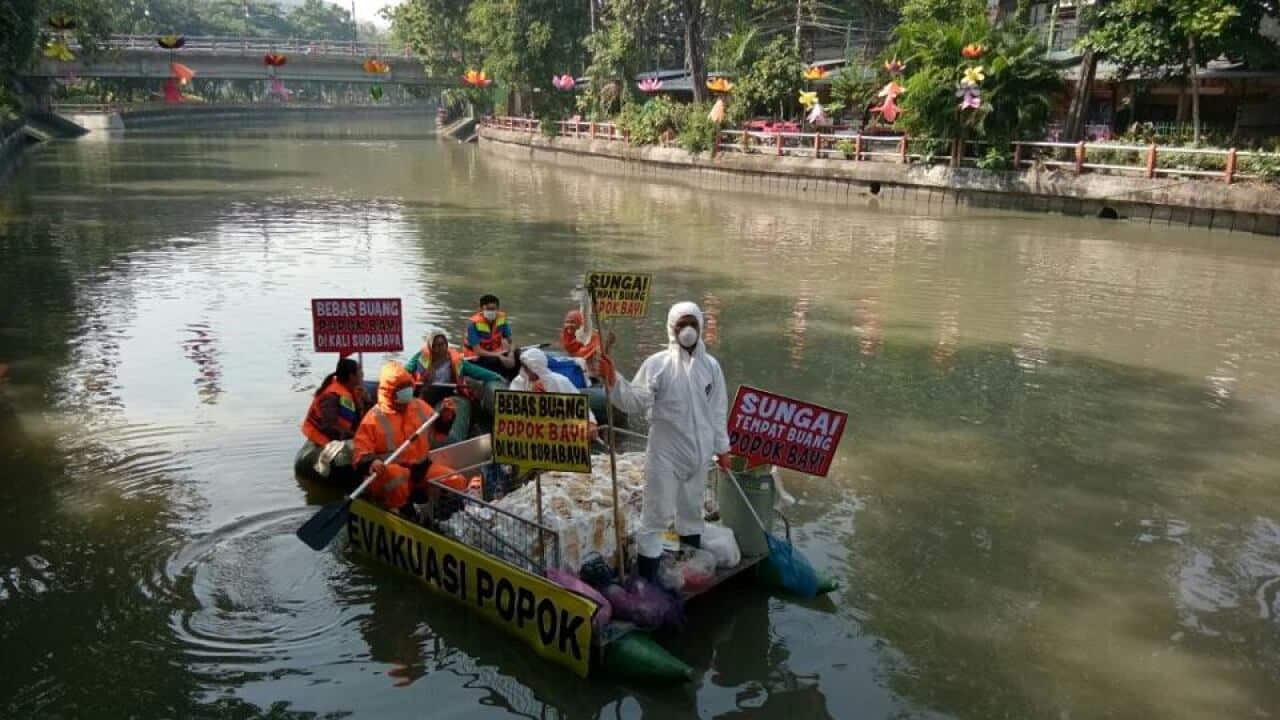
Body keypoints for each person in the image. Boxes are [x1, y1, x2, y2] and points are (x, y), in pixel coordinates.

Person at [607, 302, 732, 582]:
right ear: (672, 329)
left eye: (692, 324)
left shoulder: (711, 367)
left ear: (700, 327)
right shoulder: (658, 364)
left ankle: (690, 569)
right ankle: (648, 581)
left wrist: (722, 449)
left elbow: (718, 410)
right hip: (666, 454)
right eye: (681, 324)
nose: (687, 330)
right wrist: (613, 379)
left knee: (692, 511)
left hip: (699, 455)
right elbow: (634, 400)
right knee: (656, 516)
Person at [353, 362, 465, 513]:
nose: (407, 391)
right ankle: (403, 514)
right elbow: (360, 455)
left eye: (407, 386)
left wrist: (446, 418)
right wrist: (372, 462)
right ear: (389, 391)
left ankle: (447, 520)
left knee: (455, 481)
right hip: (388, 475)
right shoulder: (373, 418)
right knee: (397, 477)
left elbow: (438, 433)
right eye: (401, 388)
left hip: (420, 470)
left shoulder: (419, 406)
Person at [403, 327, 506, 446]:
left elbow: (475, 371)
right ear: (430, 346)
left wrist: (496, 376)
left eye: (441, 345)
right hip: (426, 392)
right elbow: (406, 371)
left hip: (449, 391)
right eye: (434, 346)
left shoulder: (455, 360)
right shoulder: (421, 357)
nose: (438, 349)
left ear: (446, 345)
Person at [297, 357, 367, 479]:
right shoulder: (331, 396)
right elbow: (329, 427)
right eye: (360, 372)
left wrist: (365, 400)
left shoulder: (353, 391)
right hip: (323, 438)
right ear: (351, 376)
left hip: (344, 434)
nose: (362, 375)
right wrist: (356, 436)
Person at [510, 348, 597, 429]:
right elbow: (511, 404)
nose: (523, 370)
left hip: (557, 426)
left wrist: (591, 422)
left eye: (526, 368)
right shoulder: (519, 381)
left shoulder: (559, 381)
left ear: (535, 368)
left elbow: (578, 403)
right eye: (523, 367)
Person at [464, 294, 518, 380]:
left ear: (498, 309)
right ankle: (500, 381)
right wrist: (499, 356)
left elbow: (511, 341)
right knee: (495, 361)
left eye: (494, 309)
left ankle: (514, 380)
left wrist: (511, 354)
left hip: (495, 353)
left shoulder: (501, 319)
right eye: (488, 309)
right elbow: (478, 351)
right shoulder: (473, 324)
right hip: (476, 358)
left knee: (517, 354)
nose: (492, 311)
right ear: (481, 309)